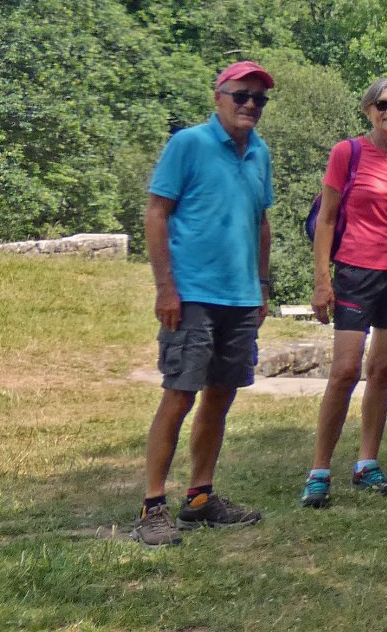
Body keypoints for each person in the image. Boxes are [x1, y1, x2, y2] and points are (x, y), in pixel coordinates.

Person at [136, 61, 276, 545]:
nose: (251, 105)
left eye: (259, 98)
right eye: (242, 95)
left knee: (220, 396)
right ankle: (153, 505)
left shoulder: (260, 154)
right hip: (191, 295)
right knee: (179, 394)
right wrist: (165, 287)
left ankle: (199, 497)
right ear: (219, 97)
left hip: (240, 297)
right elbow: (157, 213)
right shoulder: (188, 144)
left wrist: (261, 286)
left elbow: (261, 223)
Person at [301, 77, 387, 508]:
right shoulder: (348, 152)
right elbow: (326, 219)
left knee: (381, 369)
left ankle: (366, 463)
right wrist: (322, 281)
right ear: (368, 109)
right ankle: (320, 470)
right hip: (356, 271)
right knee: (344, 370)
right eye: (383, 103)